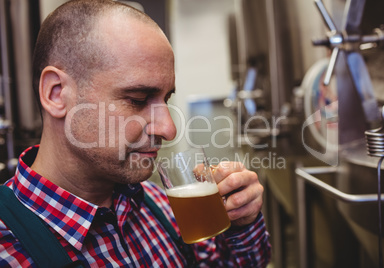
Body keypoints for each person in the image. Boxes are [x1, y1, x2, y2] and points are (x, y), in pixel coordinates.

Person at [0, 0, 271, 267]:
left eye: (166, 99)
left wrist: (241, 225)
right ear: (57, 94)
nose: (169, 128)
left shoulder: (160, 206)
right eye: (138, 99)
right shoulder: (8, 250)